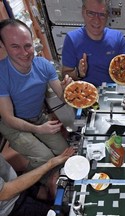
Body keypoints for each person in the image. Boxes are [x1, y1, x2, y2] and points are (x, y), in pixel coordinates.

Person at [0, 19, 73, 182]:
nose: (25, 53)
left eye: (27, 45)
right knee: (45, 157)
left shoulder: (43, 65)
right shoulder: (1, 73)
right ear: (3, 46)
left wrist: (69, 88)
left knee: (64, 150)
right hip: (13, 126)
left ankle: (49, 176)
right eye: (15, 47)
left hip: (38, 118)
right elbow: (8, 118)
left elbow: (63, 96)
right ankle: (28, 183)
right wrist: (39, 130)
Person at [61, 0, 125, 87]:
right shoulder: (72, 39)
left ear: (107, 16)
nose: (96, 20)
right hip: (86, 94)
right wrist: (78, 73)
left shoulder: (117, 37)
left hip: (114, 92)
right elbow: (66, 74)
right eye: (91, 13)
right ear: (83, 12)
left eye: (102, 14)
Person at [0, 147, 75, 216]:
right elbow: (6, 192)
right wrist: (50, 164)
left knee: (46, 194)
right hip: (11, 205)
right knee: (53, 213)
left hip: (15, 181)